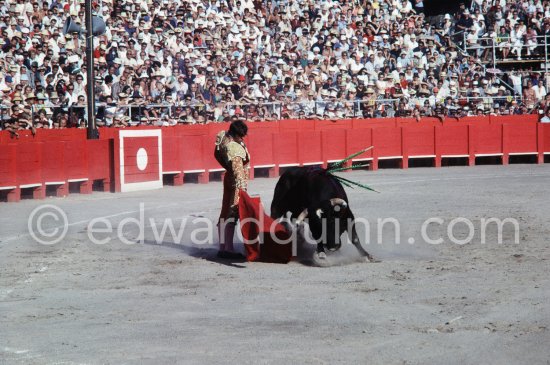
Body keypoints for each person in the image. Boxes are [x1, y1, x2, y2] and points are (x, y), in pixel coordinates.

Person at [214, 120, 250, 259]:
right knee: (233, 211)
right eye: (240, 136)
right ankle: (228, 249)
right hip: (236, 181)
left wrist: (226, 167)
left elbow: (216, 154)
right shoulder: (235, 147)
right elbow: (238, 171)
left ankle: (222, 247)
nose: (242, 138)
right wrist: (242, 189)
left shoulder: (223, 137)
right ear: (235, 134)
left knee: (224, 210)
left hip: (228, 177)